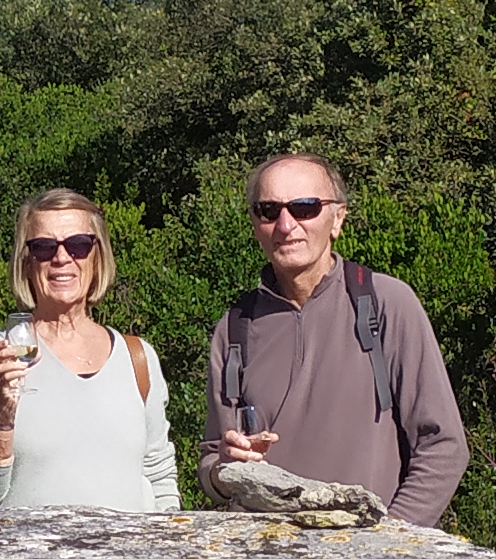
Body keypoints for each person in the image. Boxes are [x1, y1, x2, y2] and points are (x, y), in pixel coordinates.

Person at [200, 153, 467, 525]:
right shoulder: (234, 328)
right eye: (268, 209)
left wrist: (391, 538)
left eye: (305, 207)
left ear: (337, 218)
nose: (286, 224)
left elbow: (443, 446)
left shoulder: (386, 304)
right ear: (254, 222)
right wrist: (223, 470)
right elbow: (213, 461)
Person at [0, 189, 179, 513]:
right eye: (44, 247)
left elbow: (159, 478)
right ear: (26, 261)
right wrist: (2, 417)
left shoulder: (138, 358)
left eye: (78, 245)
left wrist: (167, 550)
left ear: (97, 256)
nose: (62, 258)